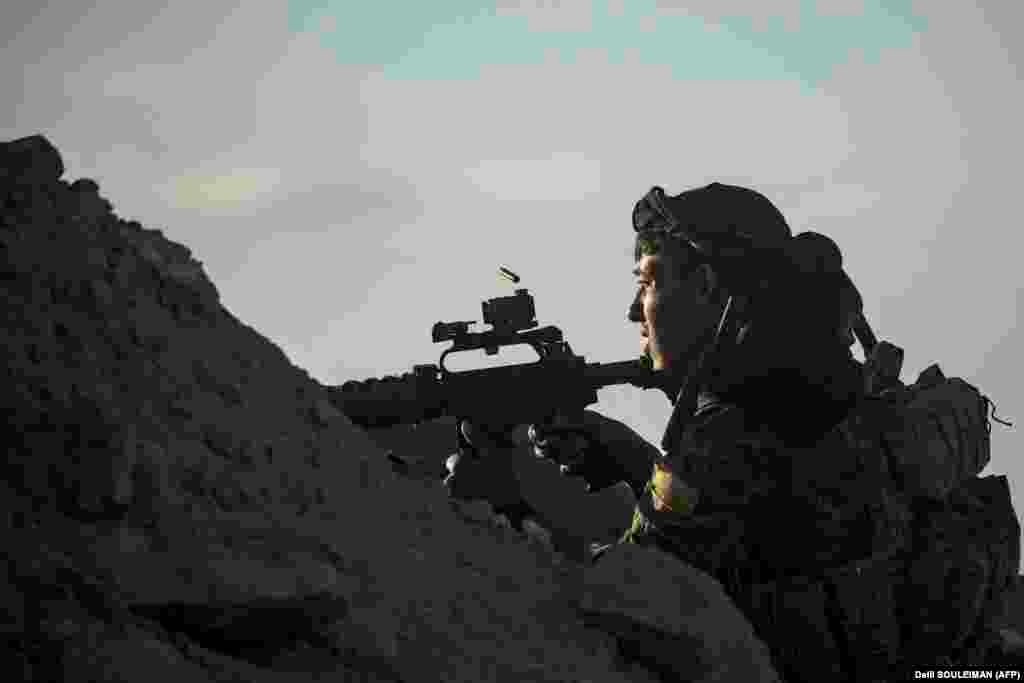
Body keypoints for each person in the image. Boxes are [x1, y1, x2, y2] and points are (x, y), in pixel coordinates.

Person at [446, 181, 897, 681]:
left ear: (706, 286)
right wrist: (632, 460)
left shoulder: (730, 434)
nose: (634, 311)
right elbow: (739, 533)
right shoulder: (811, 395)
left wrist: (511, 508)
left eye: (647, 284)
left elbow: (624, 594)